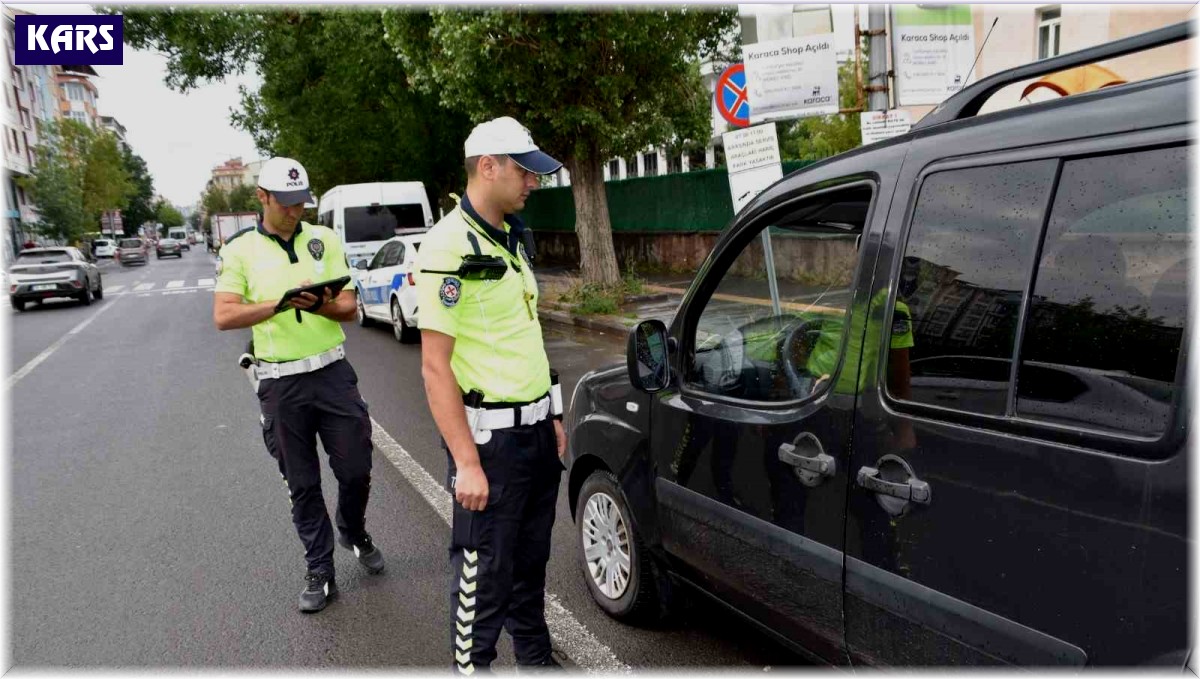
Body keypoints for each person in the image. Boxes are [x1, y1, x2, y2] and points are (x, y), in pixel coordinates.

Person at [414, 116, 567, 673]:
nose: (533, 181)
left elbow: (527, 334)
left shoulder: (511, 237)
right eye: (524, 171)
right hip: (491, 448)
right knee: (483, 580)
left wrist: (552, 413)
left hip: (535, 436)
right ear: (488, 167)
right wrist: (466, 464)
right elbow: (435, 367)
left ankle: (536, 661)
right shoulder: (447, 244)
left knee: (530, 566)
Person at [212, 156, 384, 613]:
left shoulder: (324, 239)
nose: (294, 211)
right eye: (285, 203)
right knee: (303, 483)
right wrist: (281, 305)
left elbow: (348, 308)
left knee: (356, 469)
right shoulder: (239, 250)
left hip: (332, 374)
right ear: (262, 197)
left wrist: (317, 304)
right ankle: (320, 570)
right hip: (280, 383)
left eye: (300, 202)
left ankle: (352, 529)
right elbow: (224, 315)